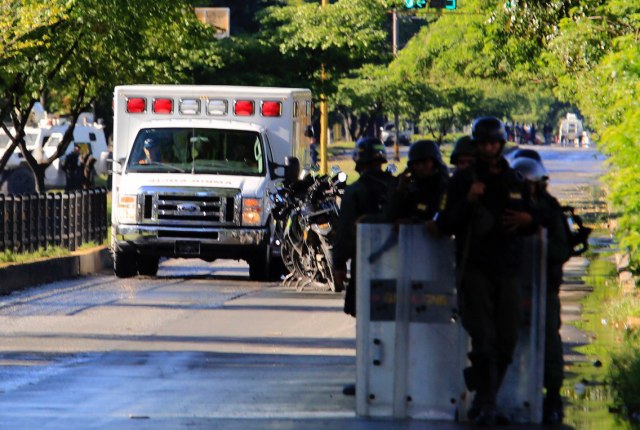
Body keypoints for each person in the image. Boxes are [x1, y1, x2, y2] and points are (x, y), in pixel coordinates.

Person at [437, 116, 537, 426]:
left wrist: (527, 220)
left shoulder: (515, 180)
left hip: (508, 268)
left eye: (493, 142)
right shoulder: (462, 181)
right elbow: (444, 224)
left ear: (501, 144)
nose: (489, 148)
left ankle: (486, 398)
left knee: (507, 336)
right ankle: (486, 402)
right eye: (483, 143)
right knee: (482, 337)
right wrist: (468, 202)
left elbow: (537, 218)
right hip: (475, 267)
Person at [510, 155, 569, 426]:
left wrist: (536, 229)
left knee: (548, 343)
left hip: (544, 285)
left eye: (530, 183)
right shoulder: (504, 205)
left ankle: (553, 397)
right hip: (509, 283)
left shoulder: (550, 209)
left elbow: (561, 248)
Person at [380, 139, 448, 224]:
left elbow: (444, 219)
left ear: (435, 163)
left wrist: (414, 223)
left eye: (424, 162)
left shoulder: (445, 187)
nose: (420, 167)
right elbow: (388, 216)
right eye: (416, 164)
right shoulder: (411, 187)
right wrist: (399, 190)